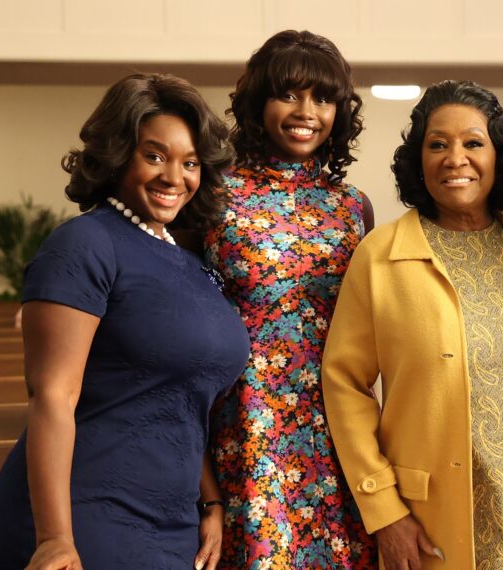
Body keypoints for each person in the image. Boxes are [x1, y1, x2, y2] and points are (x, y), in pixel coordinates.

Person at [0, 73, 249, 570]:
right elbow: (52, 397)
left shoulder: (194, 264)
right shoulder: (84, 245)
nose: (174, 176)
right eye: (154, 155)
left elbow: (180, 397)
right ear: (117, 153)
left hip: (173, 521)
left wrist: (211, 501)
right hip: (84, 513)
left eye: (189, 163)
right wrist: (54, 538)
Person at [322, 80, 503, 569]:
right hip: (430, 523)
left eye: (473, 143)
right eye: (437, 144)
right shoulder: (379, 257)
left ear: (498, 156)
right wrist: (384, 512)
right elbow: (344, 385)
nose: (454, 157)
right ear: (418, 160)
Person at [203, 30, 376, 568]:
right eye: (290, 95)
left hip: (338, 423)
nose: (306, 112)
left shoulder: (353, 205)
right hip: (245, 424)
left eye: (322, 98)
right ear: (259, 102)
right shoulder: (213, 194)